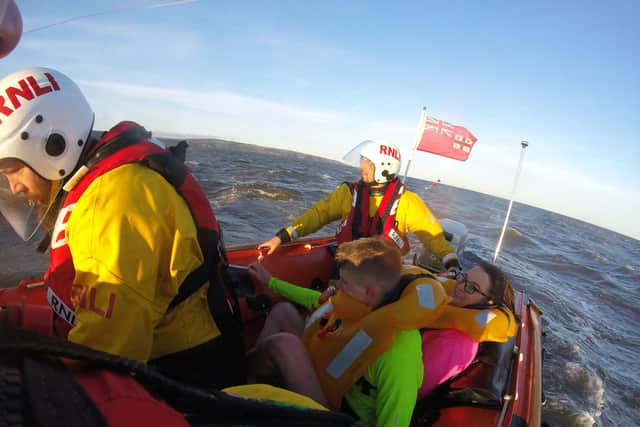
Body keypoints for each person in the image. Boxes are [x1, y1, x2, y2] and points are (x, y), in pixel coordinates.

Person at [0, 67, 244, 390]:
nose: (13, 188)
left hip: (186, 371)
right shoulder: (107, 180)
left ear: (52, 146)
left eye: (13, 170)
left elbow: (107, 358)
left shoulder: (111, 207)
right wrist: (16, 321)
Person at [247, 239, 517, 426]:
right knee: (283, 313)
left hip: (343, 408)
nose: (337, 286)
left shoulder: (404, 350)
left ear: (372, 292)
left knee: (284, 345)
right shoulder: (369, 305)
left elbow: (406, 397)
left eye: (472, 288)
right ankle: (248, 376)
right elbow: (324, 301)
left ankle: (237, 397)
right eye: (464, 279)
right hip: (331, 366)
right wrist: (272, 282)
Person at [257, 140, 460, 271]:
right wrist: (281, 237)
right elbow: (316, 215)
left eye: (366, 163)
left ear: (383, 168)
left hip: (381, 276)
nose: (360, 166)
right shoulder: (347, 193)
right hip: (346, 268)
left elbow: (433, 238)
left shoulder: (408, 202)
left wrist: (452, 264)